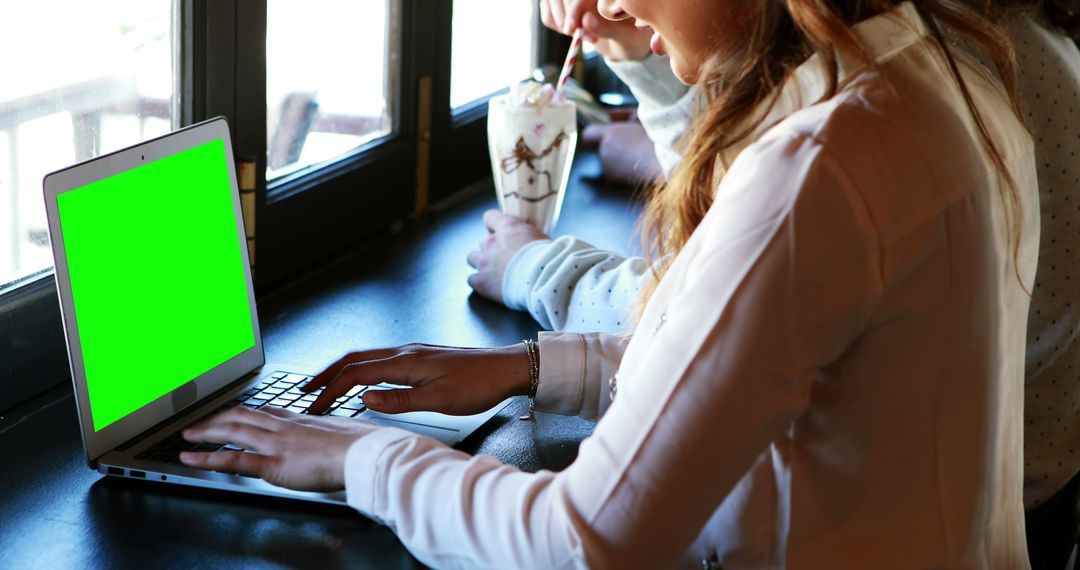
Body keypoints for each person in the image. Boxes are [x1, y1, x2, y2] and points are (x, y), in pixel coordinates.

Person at [180, 0, 1039, 566]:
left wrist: (365, 459)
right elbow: (779, 349)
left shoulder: (819, 165)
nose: (612, 1)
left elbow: (582, 543)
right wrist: (538, 368)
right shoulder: (936, 76)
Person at [487, 1, 1080, 566]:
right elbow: (729, 267)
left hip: (949, 497)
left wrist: (535, 269)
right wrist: (538, 367)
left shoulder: (876, 113)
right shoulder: (958, 44)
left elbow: (727, 282)